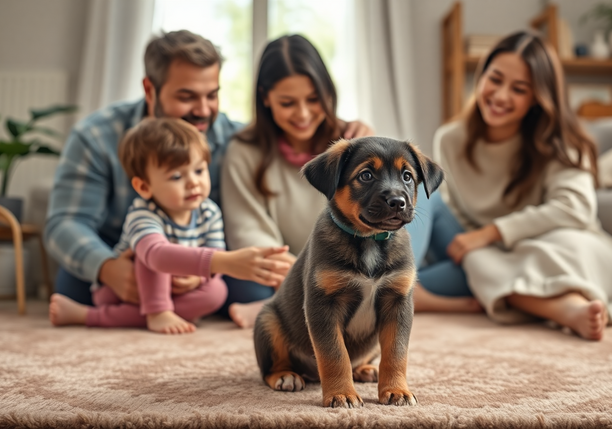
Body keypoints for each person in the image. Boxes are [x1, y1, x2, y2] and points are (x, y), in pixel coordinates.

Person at [44, 30, 370, 318]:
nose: (202, 110)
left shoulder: (231, 137)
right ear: (150, 89)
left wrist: (355, 140)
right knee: (73, 286)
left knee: (250, 291)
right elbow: (65, 223)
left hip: (197, 259)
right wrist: (108, 269)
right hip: (123, 253)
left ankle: (148, 311)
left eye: (211, 94)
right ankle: (109, 310)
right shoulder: (96, 137)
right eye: (186, 96)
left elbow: (288, 136)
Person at [221, 34, 481, 328]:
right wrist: (303, 279)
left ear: (328, 93)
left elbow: (388, 201)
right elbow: (248, 232)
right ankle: (394, 296)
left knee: (463, 251)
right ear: (265, 97)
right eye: (287, 102)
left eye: (313, 99)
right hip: (306, 266)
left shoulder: (354, 140)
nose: (303, 113)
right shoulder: (244, 151)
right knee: (241, 284)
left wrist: (367, 141)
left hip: (371, 254)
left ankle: (405, 289)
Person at [433, 31, 612, 341]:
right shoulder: (450, 139)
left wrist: (493, 233)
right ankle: (564, 308)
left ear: (539, 97)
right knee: (467, 251)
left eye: (519, 89)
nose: (500, 96)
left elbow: (575, 208)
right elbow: (453, 211)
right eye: (495, 79)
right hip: (488, 257)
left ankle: (565, 307)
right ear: (481, 76)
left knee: (550, 248)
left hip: (555, 246)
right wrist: (482, 242)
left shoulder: (560, 142)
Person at [49, 118, 290, 333]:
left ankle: (164, 312)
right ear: (144, 187)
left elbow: (213, 254)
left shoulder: (209, 211)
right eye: (177, 177)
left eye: (198, 170)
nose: (193, 183)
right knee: (148, 260)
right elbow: (157, 256)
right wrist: (225, 262)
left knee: (217, 292)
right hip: (126, 289)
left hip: (179, 290)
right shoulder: (143, 214)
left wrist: (198, 280)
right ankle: (104, 315)